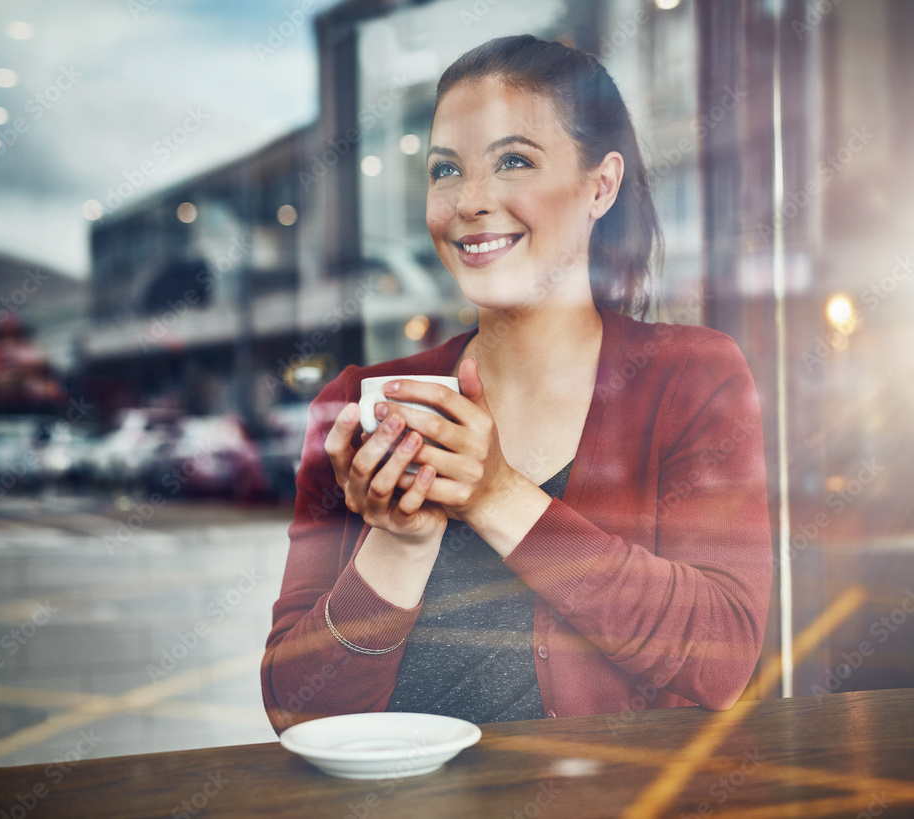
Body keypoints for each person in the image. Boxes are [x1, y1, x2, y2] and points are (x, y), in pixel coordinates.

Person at [261, 35, 771, 733]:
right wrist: (399, 544)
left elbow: (721, 656)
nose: (470, 201)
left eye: (512, 161)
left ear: (601, 185)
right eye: (445, 171)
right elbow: (297, 709)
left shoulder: (692, 378)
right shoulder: (357, 403)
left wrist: (496, 494)